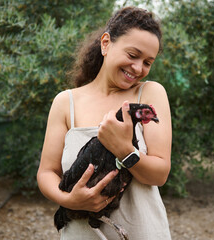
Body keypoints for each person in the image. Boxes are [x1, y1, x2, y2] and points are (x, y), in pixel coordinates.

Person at [37, 6, 172, 240]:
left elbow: (159, 175)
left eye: (148, 62)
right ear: (106, 43)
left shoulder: (150, 94)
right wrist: (69, 200)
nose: (139, 68)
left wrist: (123, 148)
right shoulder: (65, 102)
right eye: (132, 55)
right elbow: (47, 172)